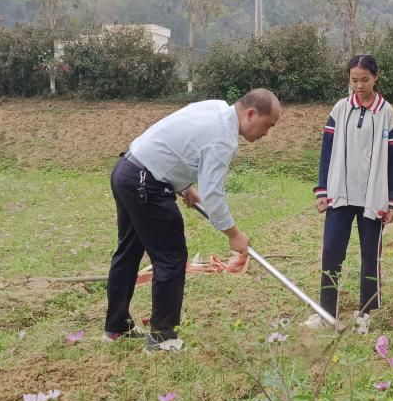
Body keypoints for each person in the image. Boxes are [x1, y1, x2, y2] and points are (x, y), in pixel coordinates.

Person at [104, 89, 282, 352]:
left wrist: (184, 185)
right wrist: (233, 233)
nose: (266, 133)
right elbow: (213, 193)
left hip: (127, 170)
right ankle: (163, 339)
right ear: (251, 114)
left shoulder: (215, 108)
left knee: (129, 252)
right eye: (267, 125)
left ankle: (116, 327)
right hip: (147, 184)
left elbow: (180, 143)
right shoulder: (224, 140)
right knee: (171, 257)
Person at [307, 55, 393, 333]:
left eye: (365, 80)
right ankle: (326, 311)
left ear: (376, 77)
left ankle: (365, 313)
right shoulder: (340, 109)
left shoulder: (386, 113)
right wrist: (322, 189)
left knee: (370, 255)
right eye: (354, 80)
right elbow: (326, 152)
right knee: (331, 252)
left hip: (373, 196)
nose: (359, 86)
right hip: (340, 193)